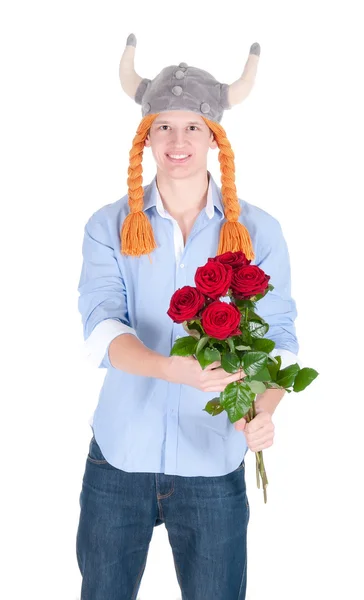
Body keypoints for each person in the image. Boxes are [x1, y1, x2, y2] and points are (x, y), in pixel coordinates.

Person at [76, 34, 301, 600]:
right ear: (145, 137)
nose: (178, 141)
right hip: (118, 460)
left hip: (213, 458)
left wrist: (263, 411)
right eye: (163, 127)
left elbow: (278, 337)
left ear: (215, 138)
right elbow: (103, 327)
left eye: (193, 128)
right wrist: (166, 368)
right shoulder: (108, 226)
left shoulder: (258, 230)